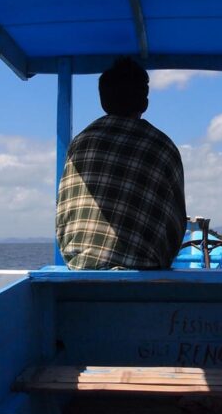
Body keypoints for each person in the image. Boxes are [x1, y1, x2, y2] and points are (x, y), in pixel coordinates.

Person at [56, 57, 186, 270]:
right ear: (144, 103)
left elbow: (62, 218)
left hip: (80, 270)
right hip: (145, 274)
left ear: (103, 101)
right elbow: (175, 226)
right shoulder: (164, 147)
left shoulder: (79, 143)